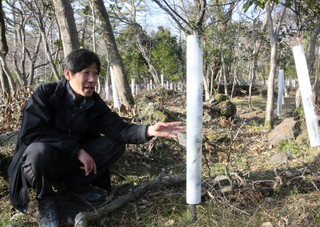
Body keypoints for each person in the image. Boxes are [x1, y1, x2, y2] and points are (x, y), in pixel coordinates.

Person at [8, 49, 184, 227]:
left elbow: (116, 128)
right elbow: (32, 133)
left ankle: (72, 187)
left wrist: (148, 130)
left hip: (69, 164)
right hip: (42, 164)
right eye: (86, 73)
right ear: (68, 74)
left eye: (95, 74)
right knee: (38, 150)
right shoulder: (46, 93)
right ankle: (46, 199)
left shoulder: (93, 101)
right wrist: (76, 150)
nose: (92, 80)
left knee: (115, 143)